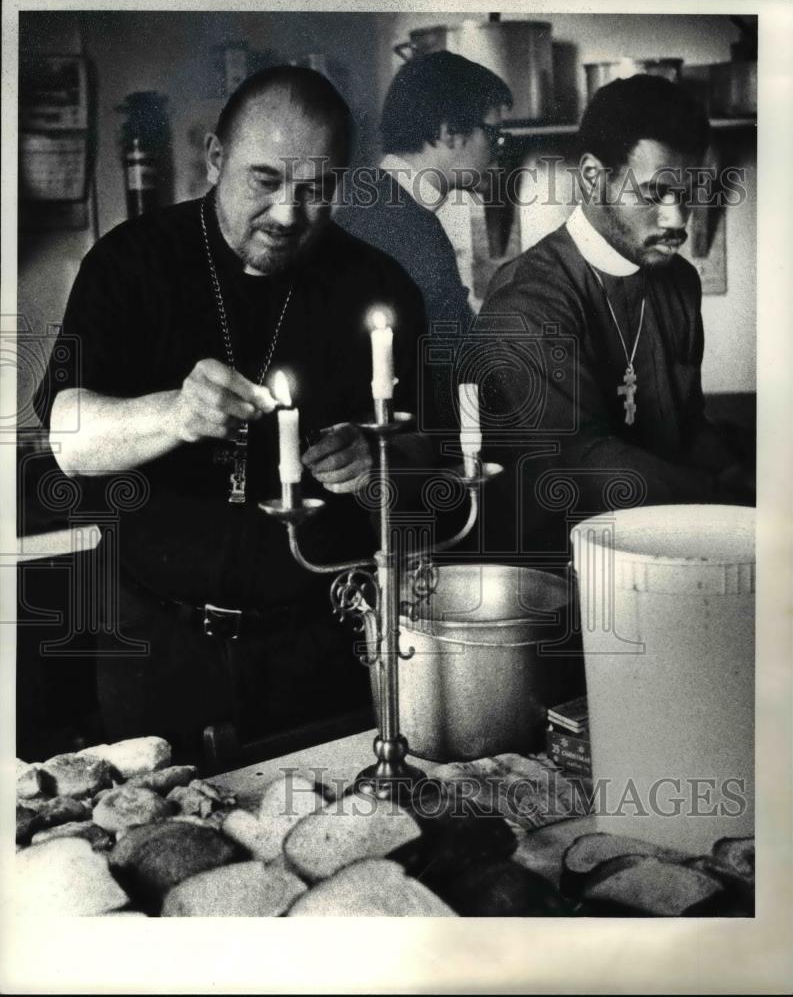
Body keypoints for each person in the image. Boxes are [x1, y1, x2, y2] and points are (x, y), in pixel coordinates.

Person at [34, 66, 428, 764]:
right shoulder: (131, 262)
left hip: (323, 647)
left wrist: (373, 468)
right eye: (266, 181)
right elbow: (68, 440)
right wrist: (176, 415)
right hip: (158, 647)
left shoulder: (376, 286)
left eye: (314, 190)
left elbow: (424, 492)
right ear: (217, 159)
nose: (286, 214)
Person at [466, 74, 754, 560]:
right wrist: (730, 503)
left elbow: (688, 424)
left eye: (689, 193)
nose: (677, 219)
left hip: (666, 544)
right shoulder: (528, 299)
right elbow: (583, 463)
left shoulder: (678, 282)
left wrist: (739, 477)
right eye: (655, 193)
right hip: (559, 568)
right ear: (593, 177)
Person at [335, 51, 512, 429]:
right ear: (450, 132)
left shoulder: (372, 197)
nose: (499, 151)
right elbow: (458, 369)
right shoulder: (405, 226)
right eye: (494, 134)